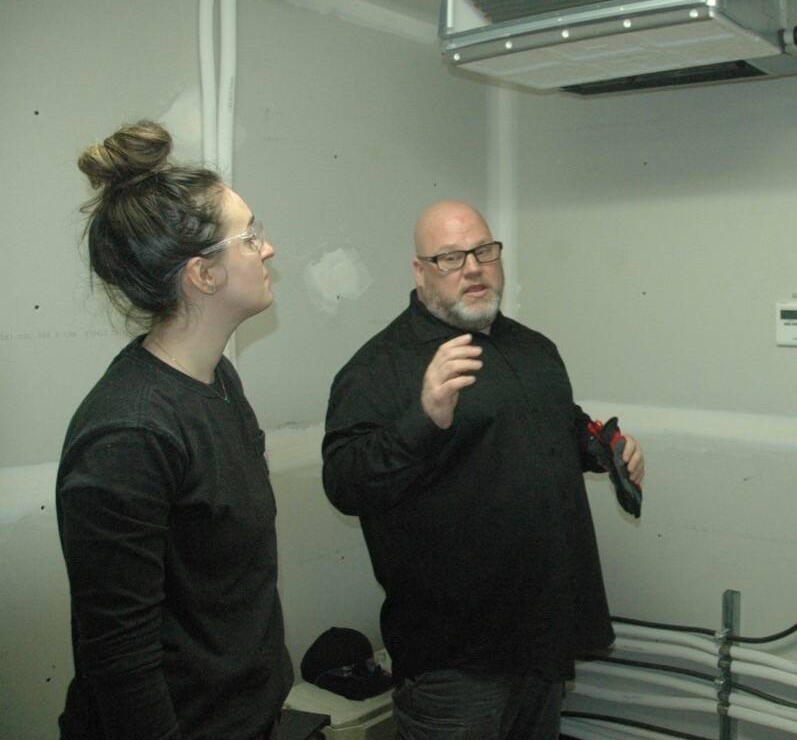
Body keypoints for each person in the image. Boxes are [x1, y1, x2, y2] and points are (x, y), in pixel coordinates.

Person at [322, 200, 645, 740]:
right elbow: (346, 483)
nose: (473, 268)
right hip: (454, 662)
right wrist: (423, 418)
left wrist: (602, 448)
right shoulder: (380, 367)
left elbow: (560, 425)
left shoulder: (534, 349)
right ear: (419, 271)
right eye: (450, 257)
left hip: (542, 638)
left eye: (484, 251)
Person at [57, 120, 291, 739]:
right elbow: (120, 660)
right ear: (203, 275)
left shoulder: (218, 383)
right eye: (251, 238)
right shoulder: (128, 436)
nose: (267, 249)